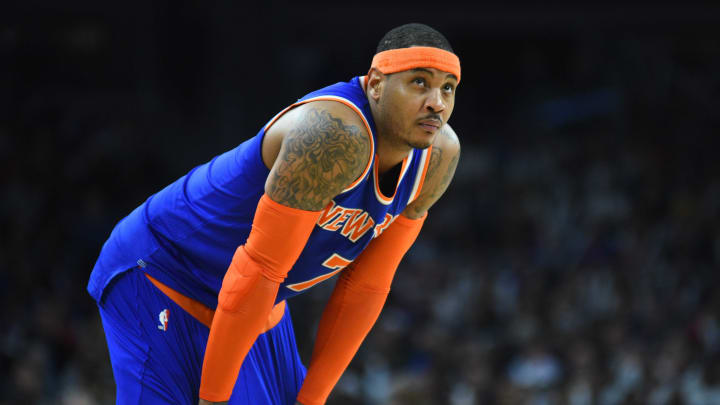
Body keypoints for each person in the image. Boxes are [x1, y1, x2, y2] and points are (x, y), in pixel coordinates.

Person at [88, 22, 461, 405]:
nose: (437, 102)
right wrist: (214, 400)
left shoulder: (438, 158)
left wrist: (312, 399)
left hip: (251, 300)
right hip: (163, 268)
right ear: (377, 84)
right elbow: (259, 268)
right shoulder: (335, 135)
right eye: (419, 82)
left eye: (448, 88)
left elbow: (366, 286)